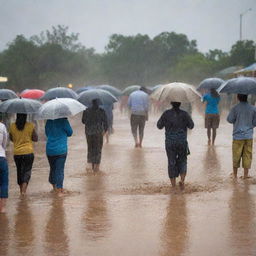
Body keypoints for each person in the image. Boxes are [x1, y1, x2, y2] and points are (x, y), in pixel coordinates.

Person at [157, 102, 194, 189]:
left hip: (170, 142)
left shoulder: (166, 114)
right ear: (180, 104)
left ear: (171, 104)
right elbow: (191, 126)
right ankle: (182, 180)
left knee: (171, 162)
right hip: (182, 142)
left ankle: (173, 186)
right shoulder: (185, 114)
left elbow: (159, 126)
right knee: (183, 160)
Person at [227, 94, 256, 179]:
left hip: (237, 136)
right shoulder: (253, 108)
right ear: (247, 97)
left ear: (238, 97)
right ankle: (246, 175)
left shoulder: (235, 108)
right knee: (247, 155)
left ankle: (235, 175)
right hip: (249, 136)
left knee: (236, 155)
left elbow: (229, 119)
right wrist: (250, 126)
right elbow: (255, 122)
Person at [9, 114, 38, 196]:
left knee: (19, 172)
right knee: (26, 172)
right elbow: (35, 139)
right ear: (25, 116)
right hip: (28, 152)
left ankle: (21, 191)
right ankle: (23, 192)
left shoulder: (12, 126)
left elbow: (11, 138)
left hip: (17, 153)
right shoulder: (30, 125)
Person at [45, 118, 73, 196]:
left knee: (53, 168)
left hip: (50, 149)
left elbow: (47, 133)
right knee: (59, 170)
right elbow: (70, 133)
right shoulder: (64, 120)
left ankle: (54, 188)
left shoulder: (49, 121)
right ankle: (60, 190)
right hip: (61, 150)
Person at [82, 99, 108, 172]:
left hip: (88, 132)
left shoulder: (86, 110)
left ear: (91, 103)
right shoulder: (102, 111)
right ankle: (97, 167)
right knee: (98, 149)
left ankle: (91, 165)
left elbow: (83, 121)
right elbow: (106, 123)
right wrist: (104, 131)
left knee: (90, 148)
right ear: (99, 103)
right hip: (98, 133)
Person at [0, 117, 8, 213]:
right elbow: (5, 142)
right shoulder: (2, 126)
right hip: (1, 157)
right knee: (4, 182)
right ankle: (2, 208)